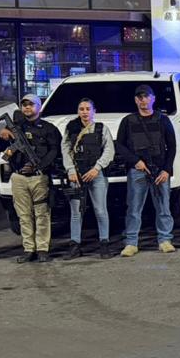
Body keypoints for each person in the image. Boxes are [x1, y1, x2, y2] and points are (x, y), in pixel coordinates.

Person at [0, 94, 62, 263]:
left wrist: (39, 166)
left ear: (39, 107)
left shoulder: (48, 128)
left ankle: (42, 249)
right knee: (23, 215)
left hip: (39, 177)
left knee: (42, 214)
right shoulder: (14, 127)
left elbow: (55, 151)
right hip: (18, 177)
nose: (27, 107)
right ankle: (28, 249)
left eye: (31, 104)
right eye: (24, 104)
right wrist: (2, 134)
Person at [116, 83, 178, 256]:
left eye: (146, 97)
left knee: (163, 208)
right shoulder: (128, 121)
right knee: (134, 209)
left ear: (153, 99)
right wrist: (135, 161)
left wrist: (167, 170)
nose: (143, 100)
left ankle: (165, 240)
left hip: (160, 170)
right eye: (140, 97)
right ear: (136, 100)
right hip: (138, 170)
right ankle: (131, 243)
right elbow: (120, 146)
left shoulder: (163, 119)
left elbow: (172, 146)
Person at [61, 97, 115, 260]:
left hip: (96, 174)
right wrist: (71, 170)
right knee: (76, 212)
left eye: (88, 109)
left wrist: (97, 168)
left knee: (100, 211)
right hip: (76, 175)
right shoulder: (71, 129)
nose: (84, 112)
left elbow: (109, 150)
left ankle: (104, 244)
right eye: (81, 109)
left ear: (94, 111)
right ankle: (75, 245)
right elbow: (65, 150)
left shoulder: (101, 128)